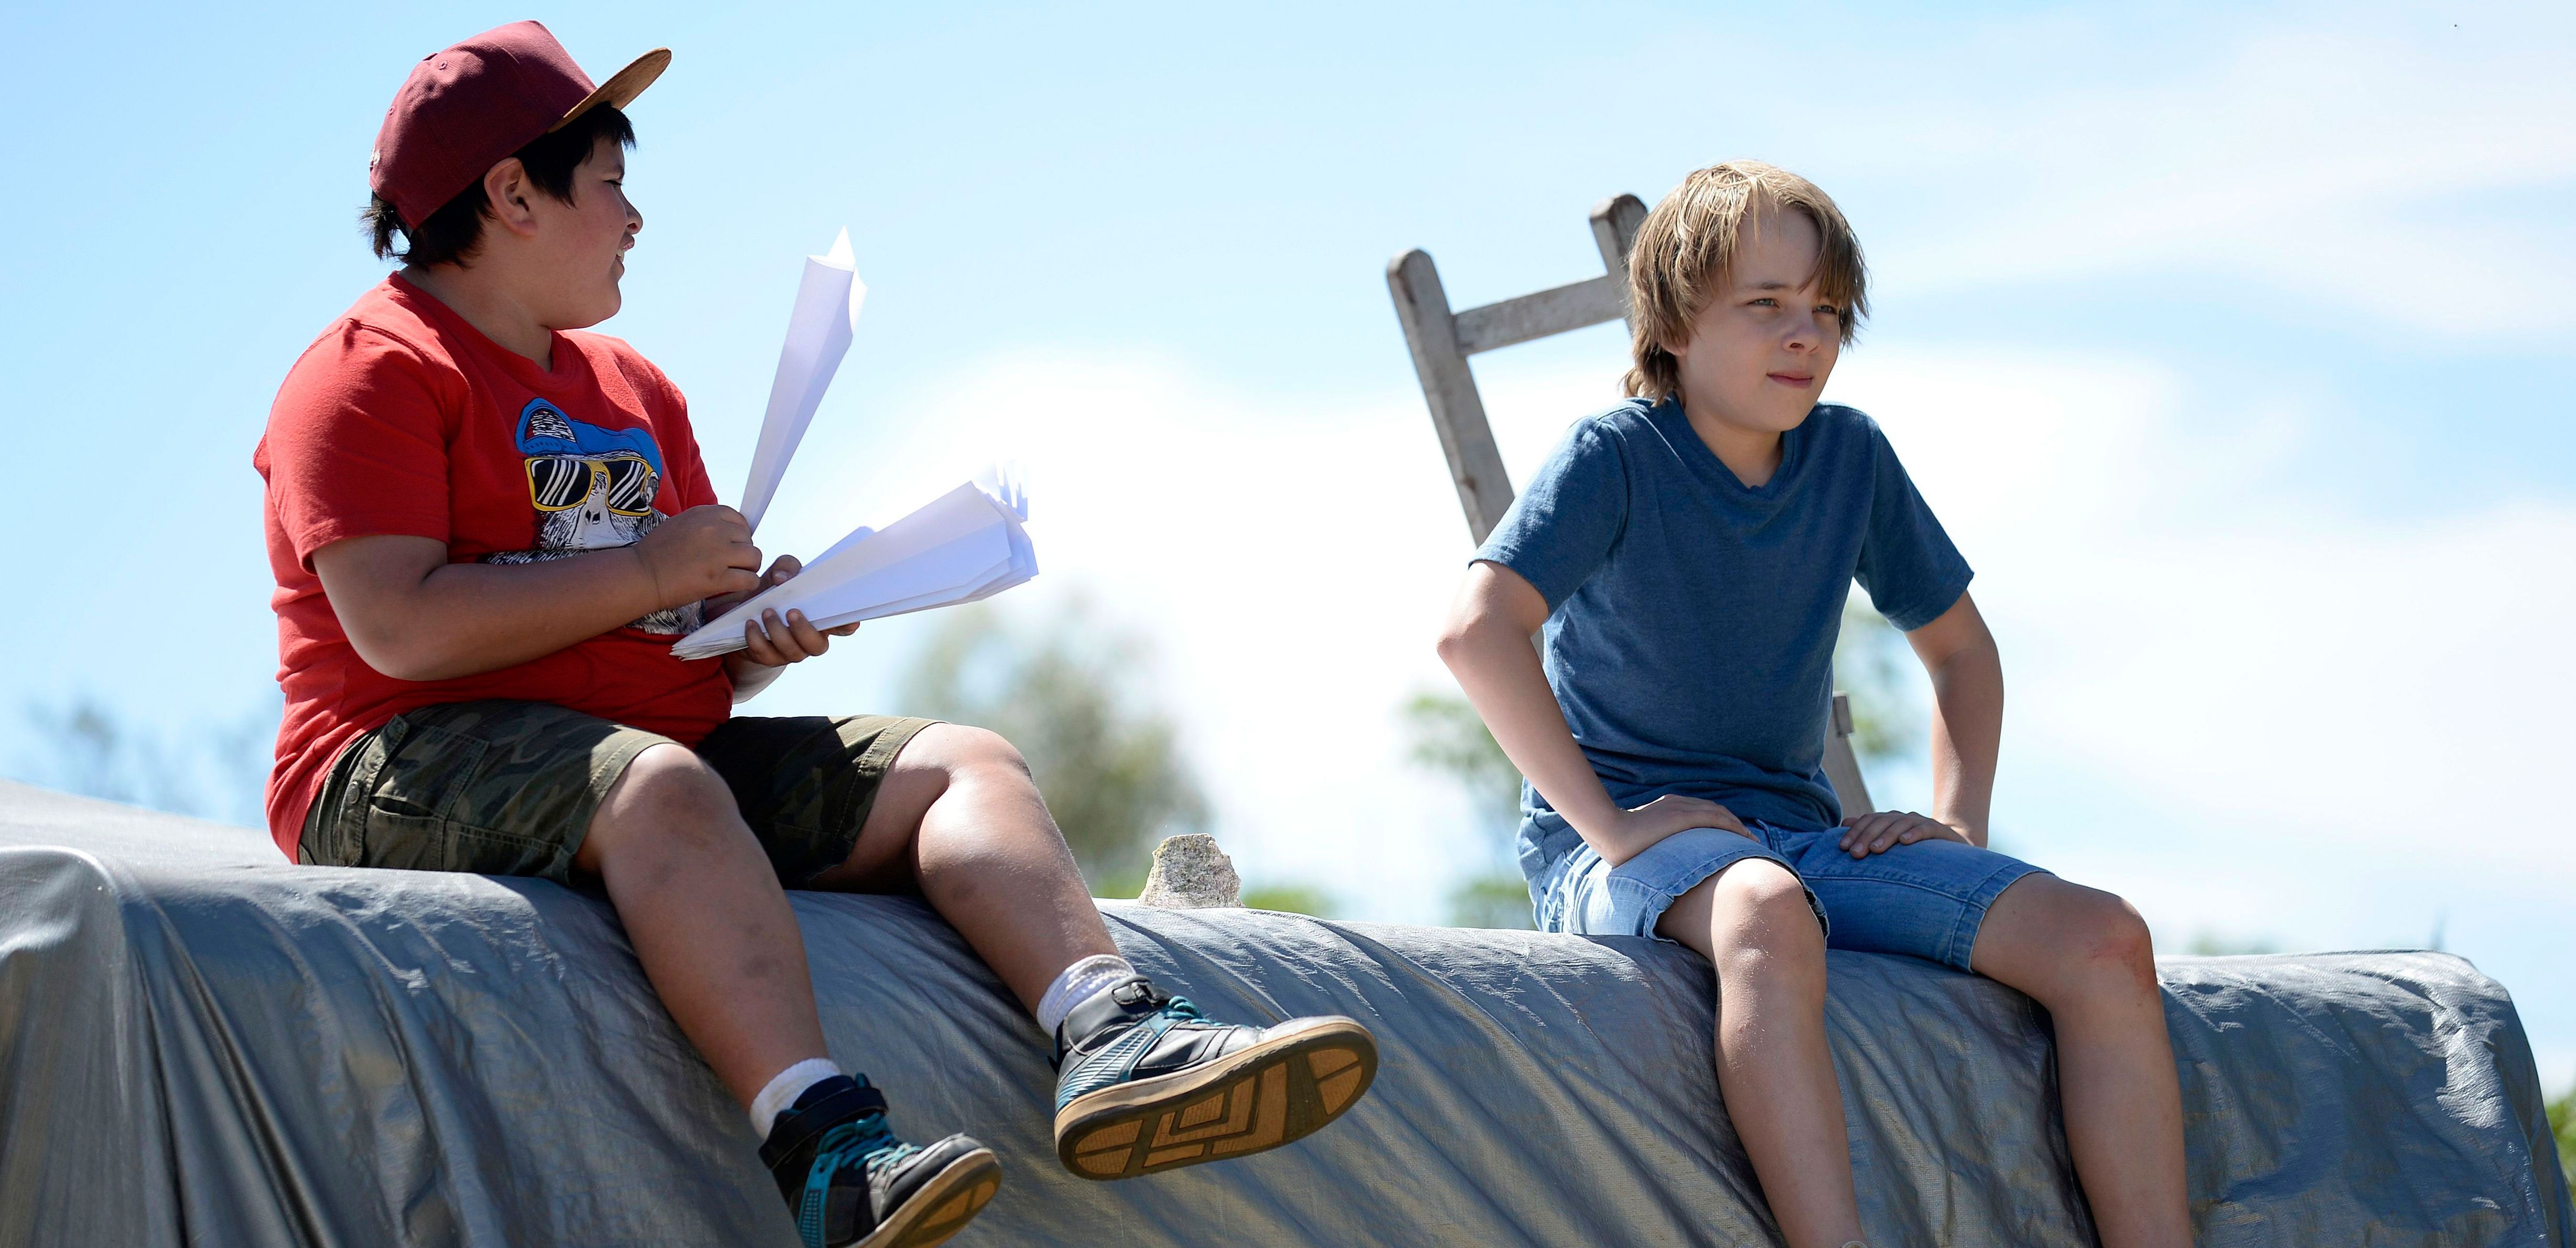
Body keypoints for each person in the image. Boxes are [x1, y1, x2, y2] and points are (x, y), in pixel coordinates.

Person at [255, 23, 1375, 1248]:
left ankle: (1116, 1032)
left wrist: (742, 628)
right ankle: (828, 1146)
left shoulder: (634, 388)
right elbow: (400, 626)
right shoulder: (368, 370)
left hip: (636, 754)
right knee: (664, 786)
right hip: (394, 758)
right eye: (614, 185)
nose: (638, 219)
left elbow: (663, 630)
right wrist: (645, 565)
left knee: (963, 761)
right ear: (513, 193)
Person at [1434, 160, 2190, 1248]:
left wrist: (1958, 825)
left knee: (2106, 938)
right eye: (1767, 305)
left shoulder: (1851, 457)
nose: (1807, 334)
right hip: (1628, 848)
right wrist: (1610, 821)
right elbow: (1474, 630)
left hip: (1802, 833)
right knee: (1764, 911)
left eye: (1828, 309)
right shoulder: (1615, 457)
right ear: (1675, 327)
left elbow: (1964, 654)